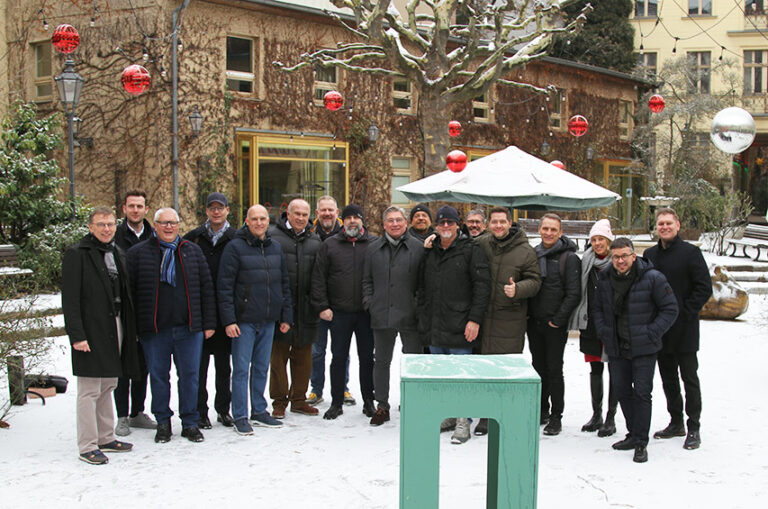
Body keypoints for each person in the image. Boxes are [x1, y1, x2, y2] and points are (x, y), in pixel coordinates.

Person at [127, 208, 216, 444]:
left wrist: (209, 323)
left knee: (190, 377)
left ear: (178, 225)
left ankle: (190, 423)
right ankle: (163, 423)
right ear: (155, 225)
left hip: (189, 329)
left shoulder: (192, 251)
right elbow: (131, 295)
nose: (169, 227)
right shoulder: (139, 253)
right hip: (155, 330)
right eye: (164, 223)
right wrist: (134, 328)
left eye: (173, 223)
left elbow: (206, 288)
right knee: (158, 377)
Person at [63, 207, 140, 465]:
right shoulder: (77, 254)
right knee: (89, 389)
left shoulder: (116, 252)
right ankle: (87, 445)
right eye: (101, 224)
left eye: (110, 224)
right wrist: (77, 336)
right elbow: (70, 300)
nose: (106, 229)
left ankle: (106, 437)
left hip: (115, 325)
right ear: (90, 227)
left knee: (108, 384)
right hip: (90, 329)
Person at [593, 237, 678, 463]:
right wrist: (604, 331)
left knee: (642, 393)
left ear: (633, 255)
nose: (620, 261)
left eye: (624, 256)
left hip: (644, 347)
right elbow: (597, 308)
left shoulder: (653, 277)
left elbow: (670, 309)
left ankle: (641, 442)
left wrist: (652, 332)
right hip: (616, 345)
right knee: (622, 391)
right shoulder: (605, 278)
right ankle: (633, 433)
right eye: (616, 257)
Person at [218, 204, 293, 435]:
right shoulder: (234, 248)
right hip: (243, 321)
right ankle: (240, 415)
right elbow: (224, 286)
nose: (259, 223)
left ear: (268, 221)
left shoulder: (275, 247)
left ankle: (259, 410)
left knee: (261, 367)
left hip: (268, 319)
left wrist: (285, 315)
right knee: (241, 369)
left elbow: (283, 283)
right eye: (255, 219)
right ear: (247, 221)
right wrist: (229, 320)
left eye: (263, 219)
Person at [419, 205, 490, 444]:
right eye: (442, 223)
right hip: (435, 324)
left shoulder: (471, 249)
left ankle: (463, 420)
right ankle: (449, 414)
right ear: (436, 227)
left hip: (461, 324)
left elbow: (482, 287)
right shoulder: (430, 250)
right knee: (443, 375)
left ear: (458, 225)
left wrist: (475, 319)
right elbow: (422, 285)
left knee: (462, 376)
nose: (446, 226)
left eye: (450, 222)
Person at [643, 208, 712, 450]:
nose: (664, 227)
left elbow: (704, 287)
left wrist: (685, 312)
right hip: (660, 330)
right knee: (668, 378)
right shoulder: (650, 255)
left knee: (689, 378)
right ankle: (676, 422)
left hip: (685, 328)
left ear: (678, 225)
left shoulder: (691, 253)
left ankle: (694, 427)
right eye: (661, 223)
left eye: (668, 223)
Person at [474, 206, 541, 435]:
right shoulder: (482, 243)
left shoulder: (525, 251)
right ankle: (485, 415)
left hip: (509, 320)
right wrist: (432, 238)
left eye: (502, 222)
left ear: (510, 223)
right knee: (484, 369)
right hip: (484, 318)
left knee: (505, 370)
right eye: (494, 222)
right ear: (488, 224)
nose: (498, 226)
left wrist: (518, 289)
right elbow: (459, 246)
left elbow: (535, 281)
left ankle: (504, 414)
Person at [311, 204, 377, 420]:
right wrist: (322, 306)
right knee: (338, 358)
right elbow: (318, 278)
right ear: (343, 221)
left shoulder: (374, 244)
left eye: (356, 218)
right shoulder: (330, 245)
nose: (352, 221)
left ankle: (369, 401)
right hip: (339, 312)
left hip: (366, 314)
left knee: (367, 358)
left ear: (362, 221)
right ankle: (336, 402)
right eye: (348, 218)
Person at [362, 206, 425, 426]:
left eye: (399, 220)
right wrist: (370, 302)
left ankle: (412, 401)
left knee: (413, 361)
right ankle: (382, 405)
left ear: (406, 223)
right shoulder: (373, 249)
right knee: (381, 362)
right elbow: (367, 280)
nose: (395, 224)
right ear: (384, 224)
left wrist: (417, 306)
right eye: (390, 220)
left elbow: (423, 283)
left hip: (410, 315)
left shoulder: (418, 248)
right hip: (382, 314)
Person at [182, 192, 237, 429]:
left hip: (226, 313)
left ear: (227, 211)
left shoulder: (236, 238)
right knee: (199, 368)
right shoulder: (193, 238)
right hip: (200, 312)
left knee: (224, 367)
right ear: (206, 211)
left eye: (220, 208)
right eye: (212, 208)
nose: (216, 212)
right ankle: (200, 412)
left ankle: (223, 410)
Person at [527, 213, 581, 436]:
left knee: (554, 370)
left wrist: (557, 320)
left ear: (560, 232)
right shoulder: (533, 254)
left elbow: (574, 293)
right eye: (545, 228)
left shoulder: (569, 258)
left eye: (553, 229)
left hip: (554, 325)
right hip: (534, 323)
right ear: (539, 230)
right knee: (538, 368)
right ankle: (542, 410)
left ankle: (556, 416)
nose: (549, 233)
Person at [268, 199, 322, 418]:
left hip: (307, 308)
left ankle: (299, 400)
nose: (300, 218)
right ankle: (279, 401)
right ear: (288, 214)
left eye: (304, 214)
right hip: (281, 308)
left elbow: (319, 275)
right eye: (296, 213)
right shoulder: (273, 236)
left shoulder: (315, 240)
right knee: (278, 358)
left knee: (303, 358)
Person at [568, 219, 618, 437]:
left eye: (601, 239)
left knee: (615, 370)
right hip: (590, 324)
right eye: (594, 239)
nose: (597, 243)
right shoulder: (586, 261)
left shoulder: (618, 260)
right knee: (595, 369)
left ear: (609, 240)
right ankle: (596, 414)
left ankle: (610, 417)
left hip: (613, 325)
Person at [112, 190, 155, 436]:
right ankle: (122, 416)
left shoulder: (153, 235)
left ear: (146, 209)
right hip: (122, 309)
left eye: (140, 206)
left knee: (142, 365)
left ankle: (137, 411)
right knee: (123, 367)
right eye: (131, 206)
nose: (136, 210)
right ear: (124, 209)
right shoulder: (115, 236)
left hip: (148, 308)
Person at [308, 195, 355, 406]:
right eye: (323, 210)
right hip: (317, 305)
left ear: (337, 212)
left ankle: (342, 388)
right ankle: (316, 389)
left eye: (331, 210)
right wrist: (319, 304)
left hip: (341, 306)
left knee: (341, 351)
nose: (327, 213)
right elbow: (314, 276)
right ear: (317, 213)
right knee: (317, 351)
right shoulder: (309, 236)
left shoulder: (348, 235)